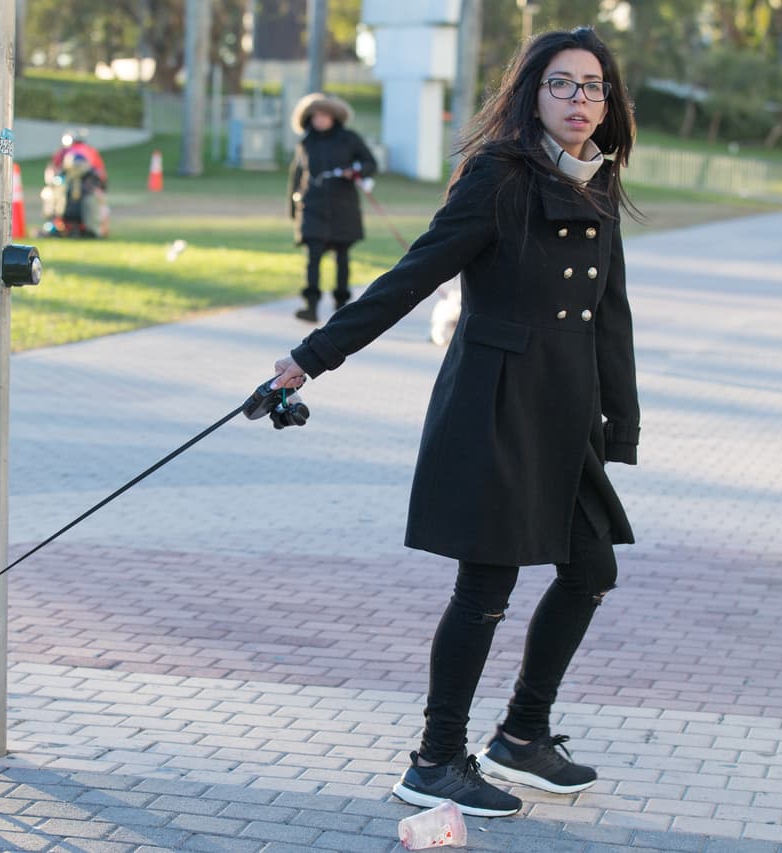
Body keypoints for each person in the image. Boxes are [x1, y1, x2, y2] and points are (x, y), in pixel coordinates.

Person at [270, 27, 639, 818]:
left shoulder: (595, 181)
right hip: (498, 402)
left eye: (595, 86)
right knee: (487, 585)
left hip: (566, 413)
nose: (583, 101)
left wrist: (622, 422)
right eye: (564, 85)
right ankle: (436, 759)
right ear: (531, 92)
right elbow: (411, 277)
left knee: (590, 568)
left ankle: (522, 736)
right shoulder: (498, 177)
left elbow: (609, 310)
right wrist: (311, 356)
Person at [288, 92, 378, 323]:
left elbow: (370, 163)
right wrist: (292, 205)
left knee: (342, 256)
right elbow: (297, 175)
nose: (320, 120)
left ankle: (341, 304)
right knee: (313, 256)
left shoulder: (349, 138)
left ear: (334, 117)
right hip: (312, 205)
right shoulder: (306, 142)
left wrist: (356, 172)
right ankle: (311, 305)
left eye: (325, 115)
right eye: (316, 116)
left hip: (343, 205)